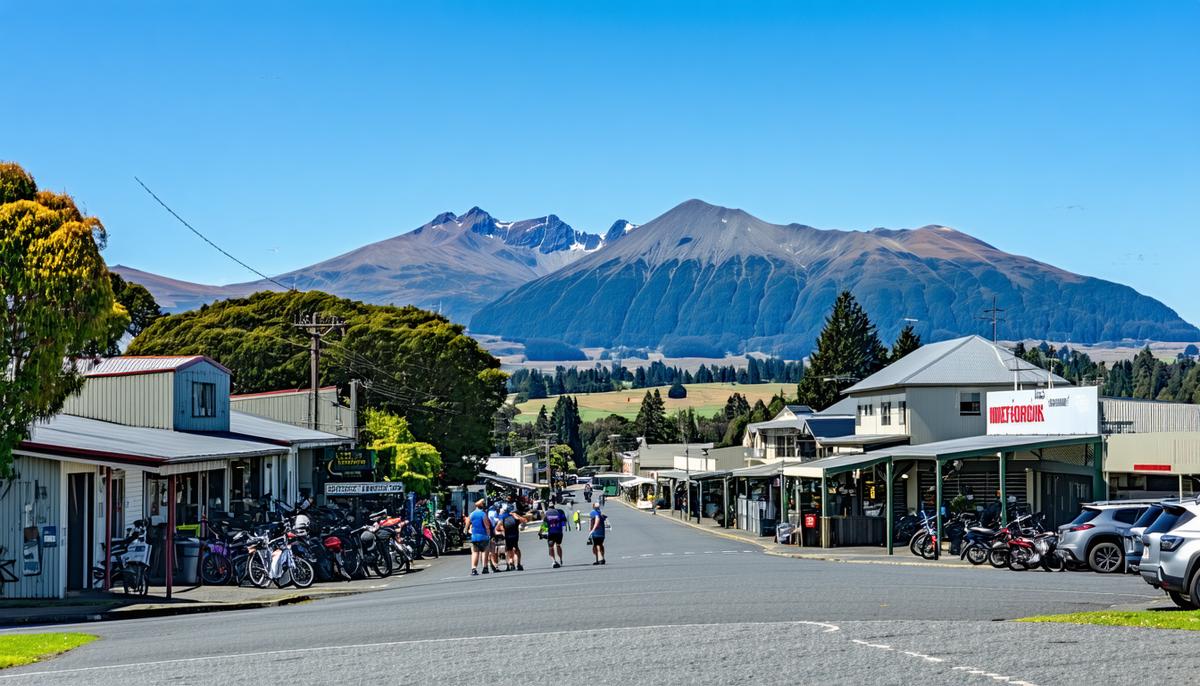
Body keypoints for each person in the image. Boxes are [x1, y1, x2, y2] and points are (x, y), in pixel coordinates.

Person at [466, 499, 493, 576]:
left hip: (474, 536)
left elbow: (466, 526)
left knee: (475, 552)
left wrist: (469, 532)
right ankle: (485, 568)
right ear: (482, 506)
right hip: (483, 536)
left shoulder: (471, 514)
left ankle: (474, 569)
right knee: (485, 552)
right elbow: (487, 526)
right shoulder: (483, 514)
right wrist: (489, 534)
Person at [497, 505, 526, 571]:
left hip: (507, 536)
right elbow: (524, 520)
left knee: (509, 549)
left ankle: (511, 562)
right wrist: (516, 516)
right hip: (515, 535)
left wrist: (504, 530)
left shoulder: (503, 517)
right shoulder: (514, 516)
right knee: (516, 549)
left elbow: (498, 527)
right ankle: (518, 564)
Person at [543, 502, 567, 568]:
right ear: (554, 506)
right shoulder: (560, 512)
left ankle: (554, 561)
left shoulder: (546, 513)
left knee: (551, 547)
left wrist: (541, 533)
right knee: (558, 545)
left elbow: (544, 525)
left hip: (551, 532)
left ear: (548, 507)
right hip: (559, 532)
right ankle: (560, 560)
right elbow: (564, 520)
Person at [487, 503, 503, 573]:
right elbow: (494, 521)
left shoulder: (490, 511)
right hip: (491, 532)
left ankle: (491, 565)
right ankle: (494, 565)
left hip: (490, 532)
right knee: (492, 550)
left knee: (491, 550)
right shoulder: (492, 513)